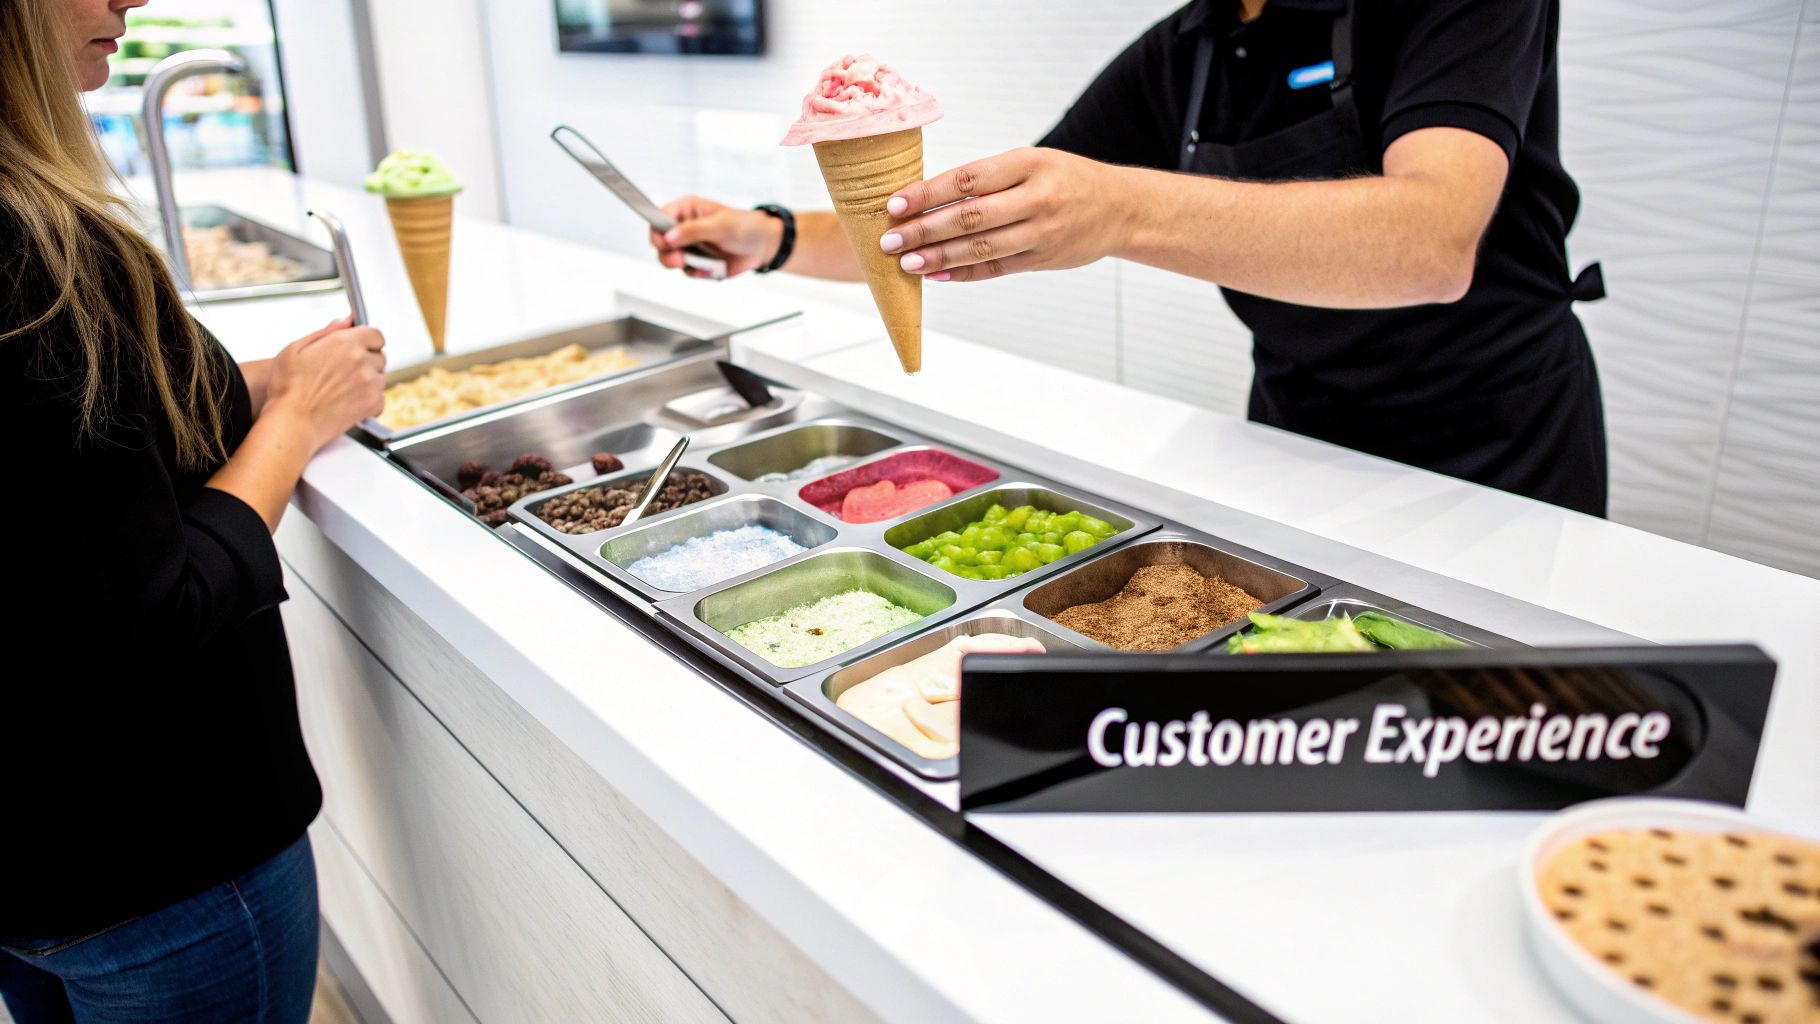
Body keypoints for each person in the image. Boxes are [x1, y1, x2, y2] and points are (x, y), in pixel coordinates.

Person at [651, 0, 1609, 516]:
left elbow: (1429, 244)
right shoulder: (1191, 46)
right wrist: (769, 236)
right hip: (1295, 427)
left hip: (1496, 445)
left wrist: (1119, 209)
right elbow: (976, 220)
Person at [0, 0, 386, 1020]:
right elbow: (157, 604)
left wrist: (261, 384)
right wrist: (295, 422)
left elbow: (73, 464)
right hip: (158, 862)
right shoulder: (32, 259)